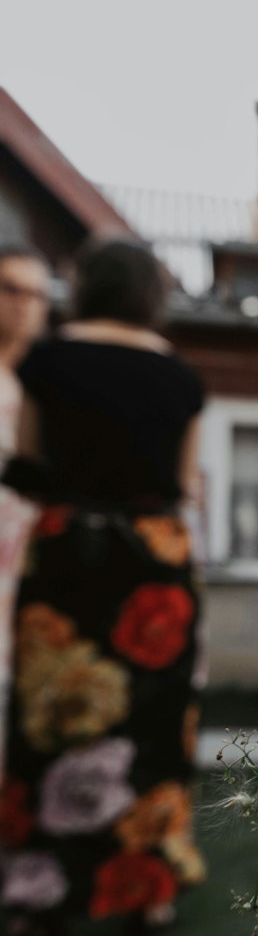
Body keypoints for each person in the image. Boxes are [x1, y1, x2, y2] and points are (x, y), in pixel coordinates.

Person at [0, 237, 205, 936]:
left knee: (48, 719)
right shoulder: (182, 379)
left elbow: (28, 465)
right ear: (150, 294)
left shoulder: (44, 361)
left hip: (68, 554)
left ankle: (39, 894)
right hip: (154, 558)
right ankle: (147, 892)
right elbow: (181, 483)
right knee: (151, 725)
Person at [0, 244, 50, 771]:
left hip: (20, 584)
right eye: (11, 289)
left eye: (37, 294)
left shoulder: (43, 391)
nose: (24, 304)